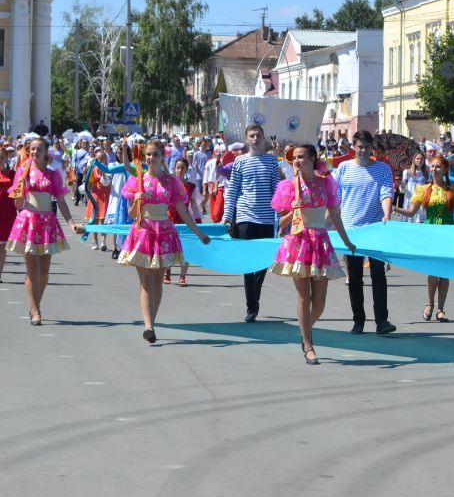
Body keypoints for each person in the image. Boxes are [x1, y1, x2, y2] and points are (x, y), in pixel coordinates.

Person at [117, 140, 210, 343]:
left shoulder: (171, 181)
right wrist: (137, 200)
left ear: (162, 157)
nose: (151, 158)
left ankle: (152, 322)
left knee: (158, 281)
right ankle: (148, 326)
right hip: (142, 232)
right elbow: (132, 213)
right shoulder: (137, 179)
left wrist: (198, 233)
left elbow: (183, 211)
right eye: (148, 155)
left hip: (164, 232)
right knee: (146, 282)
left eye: (155, 155)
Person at [270, 145, 356, 365]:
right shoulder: (290, 186)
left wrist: (346, 241)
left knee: (319, 303)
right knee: (303, 296)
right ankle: (308, 345)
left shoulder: (325, 183)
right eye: (294, 158)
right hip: (298, 242)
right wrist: (293, 210)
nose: (297, 161)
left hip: (320, 242)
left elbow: (335, 215)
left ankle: (304, 329)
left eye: (301, 157)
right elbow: (279, 223)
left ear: (312, 159)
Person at [395, 154, 454, 322]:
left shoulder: (453, 189)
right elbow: (412, 212)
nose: (434, 169)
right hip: (431, 233)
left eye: (437, 167)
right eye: (432, 167)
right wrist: (394, 208)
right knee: (433, 272)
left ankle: (441, 309)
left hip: (448, 233)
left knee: (444, 272)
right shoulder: (424, 189)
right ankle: (429, 303)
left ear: (444, 169)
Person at [6, 137, 80, 325]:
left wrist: (71, 223)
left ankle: (35, 305)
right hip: (29, 220)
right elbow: (17, 202)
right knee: (32, 270)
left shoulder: (53, 173)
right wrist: (20, 189)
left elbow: (61, 201)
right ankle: (35, 310)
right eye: (32, 149)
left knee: (44, 272)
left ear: (45, 152)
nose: (34, 152)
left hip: (47, 221)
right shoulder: (23, 171)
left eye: (38, 149)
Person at [336, 130, 397, 335]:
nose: (362, 150)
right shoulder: (343, 168)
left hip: (375, 229)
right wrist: (333, 222)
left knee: (378, 275)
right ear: (353, 147)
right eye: (359, 146)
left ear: (372, 148)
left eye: (366, 147)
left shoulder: (382, 169)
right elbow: (336, 198)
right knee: (354, 278)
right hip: (351, 229)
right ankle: (358, 321)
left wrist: (387, 214)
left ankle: (382, 321)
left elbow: (386, 192)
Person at [223, 126, 281, 323]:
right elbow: (233, 191)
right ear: (246, 139)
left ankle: (255, 293)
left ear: (264, 138)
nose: (255, 139)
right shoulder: (239, 161)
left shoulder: (272, 161)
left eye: (258, 135)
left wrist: (280, 215)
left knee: (263, 261)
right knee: (248, 263)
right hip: (245, 216)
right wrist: (227, 217)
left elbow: (277, 191)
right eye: (252, 136)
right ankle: (252, 306)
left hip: (265, 218)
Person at [163, 157, 199, 286]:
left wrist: (197, 220)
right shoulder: (169, 184)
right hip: (169, 219)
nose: (180, 170)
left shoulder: (191, 187)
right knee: (169, 247)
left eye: (182, 168)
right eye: (178, 168)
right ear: (174, 168)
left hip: (185, 221)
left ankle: (182, 276)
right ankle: (167, 271)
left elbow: (194, 205)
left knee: (186, 249)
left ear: (186, 169)